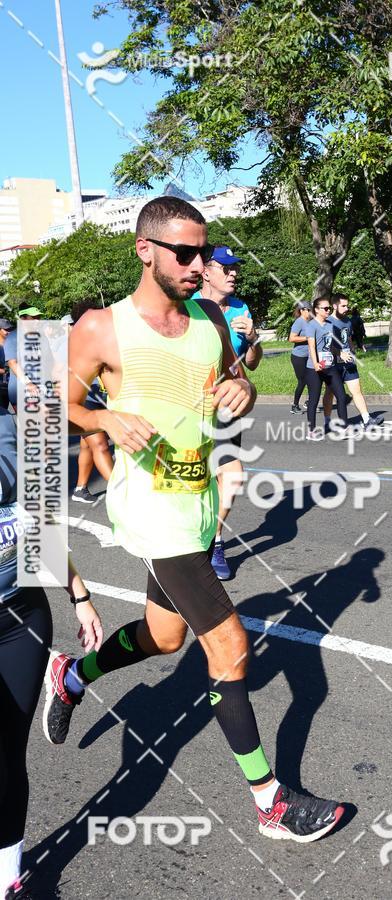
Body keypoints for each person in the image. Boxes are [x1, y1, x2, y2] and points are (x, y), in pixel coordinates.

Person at [46, 196, 343, 844]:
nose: (198, 263)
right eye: (185, 252)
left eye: (203, 251)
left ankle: (70, 676)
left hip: (200, 505)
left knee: (164, 638)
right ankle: (270, 802)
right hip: (153, 514)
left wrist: (244, 390)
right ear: (144, 250)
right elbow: (53, 403)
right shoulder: (102, 328)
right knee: (230, 645)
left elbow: (237, 382)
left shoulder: (211, 317)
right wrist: (102, 418)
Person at [0, 408, 101, 900]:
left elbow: (40, 531)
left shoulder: (21, 438)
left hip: (22, 619)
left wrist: (79, 596)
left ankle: (7, 879)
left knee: (7, 754)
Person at [193, 245, 263, 581]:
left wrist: (253, 338)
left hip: (226, 405)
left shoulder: (240, 307)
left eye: (235, 268)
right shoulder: (188, 307)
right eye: (225, 268)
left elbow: (251, 363)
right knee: (196, 478)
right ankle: (188, 544)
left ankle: (214, 541)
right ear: (206, 272)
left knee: (232, 476)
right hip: (191, 407)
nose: (233, 273)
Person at [67, 302, 115, 503]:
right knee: (101, 446)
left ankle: (80, 488)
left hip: (99, 398)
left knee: (87, 446)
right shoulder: (73, 340)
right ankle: (120, 492)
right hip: (82, 402)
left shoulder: (101, 338)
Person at [322, 294, 384, 428]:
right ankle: (327, 421)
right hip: (333, 364)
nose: (346, 308)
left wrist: (353, 348)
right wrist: (339, 353)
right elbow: (325, 344)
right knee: (330, 392)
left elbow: (348, 338)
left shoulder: (348, 321)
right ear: (334, 306)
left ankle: (367, 420)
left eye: (347, 305)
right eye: (343, 306)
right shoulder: (327, 322)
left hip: (348, 362)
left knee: (357, 390)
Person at [305, 297, 349, 441]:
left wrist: (340, 353)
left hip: (330, 367)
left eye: (329, 308)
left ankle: (343, 429)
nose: (328, 310)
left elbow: (331, 345)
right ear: (317, 310)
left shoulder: (330, 325)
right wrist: (315, 362)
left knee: (342, 396)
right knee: (314, 399)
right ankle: (311, 431)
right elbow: (311, 346)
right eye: (325, 308)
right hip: (314, 369)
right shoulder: (311, 325)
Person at [4, 303, 44, 413]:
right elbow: (12, 363)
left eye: (38, 317)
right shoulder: (13, 337)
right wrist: (29, 383)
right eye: (33, 318)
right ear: (23, 319)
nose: (38, 321)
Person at [289, 302, 312, 413]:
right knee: (302, 381)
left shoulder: (309, 322)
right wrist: (307, 338)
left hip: (309, 356)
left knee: (313, 379)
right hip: (298, 357)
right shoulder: (299, 322)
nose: (310, 311)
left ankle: (308, 402)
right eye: (308, 309)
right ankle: (294, 405)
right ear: (302, 310)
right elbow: (292, 338)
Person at [0, 321, 14, 411]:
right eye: (6, 329)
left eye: (10, 329)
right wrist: (7, 370)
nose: (9, 332)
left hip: (14, 387)